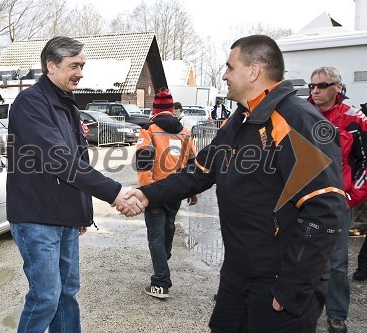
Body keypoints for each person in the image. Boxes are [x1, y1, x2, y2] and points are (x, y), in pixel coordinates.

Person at [120, 35, 346, 332]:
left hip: (278, 279)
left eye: (229, 67)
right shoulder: (239, 119)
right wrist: (146, 194)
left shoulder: (297, 121)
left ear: (253, 71)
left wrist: (293, 285)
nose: (224, 75)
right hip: (238, 273)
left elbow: (325, 208)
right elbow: (199, 172)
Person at [6, 36, 144, 333]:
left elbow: (78, 160)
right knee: (45, 297)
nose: (80, 72)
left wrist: (81, 213)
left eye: (82, 65)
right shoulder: (31, 103)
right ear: (51, 65)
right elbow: (58, 161)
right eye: (74, 66)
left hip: (64, 218)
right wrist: (116, 192)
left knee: (66, 295)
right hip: (36, 217)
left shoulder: (68, 105)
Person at [308, 66, 367, 333]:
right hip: (302, 201)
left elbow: (365, 163)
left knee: (337, 263)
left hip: (336, 204)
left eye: (321, 86)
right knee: (298, 257)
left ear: (338, 87)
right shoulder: (300, 114)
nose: (315, 91)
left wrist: (351, 196)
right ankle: (300, 309)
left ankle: (336, 314)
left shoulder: (355, 119)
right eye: (312, 86)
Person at [136, 88, 197, 299]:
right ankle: (164, 257)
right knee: (169, 226)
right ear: (172, 110)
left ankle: (160, 283)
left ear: (155, 110)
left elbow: (143, 161)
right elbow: (192, 163)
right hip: (176, 190)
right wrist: (192, 190)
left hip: (155, 190)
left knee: (156, 235)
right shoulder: (184, 132)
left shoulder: (149, 130)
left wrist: (146, 190)